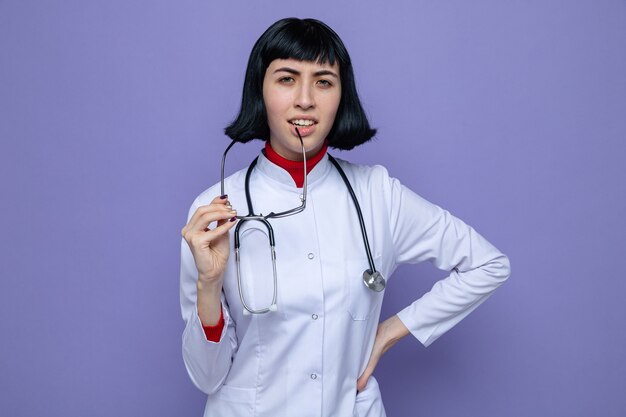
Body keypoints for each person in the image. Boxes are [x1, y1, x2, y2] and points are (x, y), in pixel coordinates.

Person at [180, 17, 510, 417]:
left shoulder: (377, 194)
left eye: (323, 81)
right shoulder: (216, 209)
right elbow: (206, 377)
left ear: (341, 95)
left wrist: (388, 332)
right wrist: (208, 284)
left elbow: (488, 264)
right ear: (260, 90)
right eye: (287, 79)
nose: (305, 99)